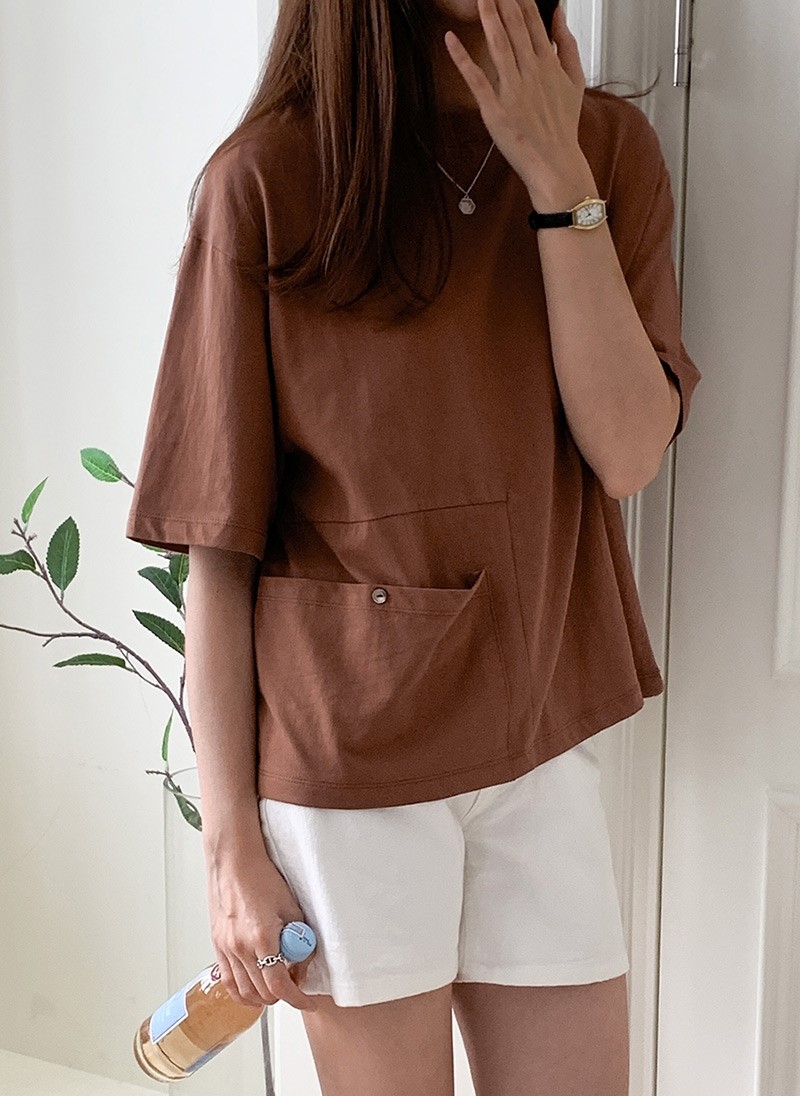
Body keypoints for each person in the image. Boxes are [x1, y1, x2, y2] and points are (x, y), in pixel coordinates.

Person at [125, 0, 702, 1091]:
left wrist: (554, 175)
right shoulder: (270, 179)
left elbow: (627, 451)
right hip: (349, 764)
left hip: (539, 735)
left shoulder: (606, 149)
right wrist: (230, 851)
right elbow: (217, 547)